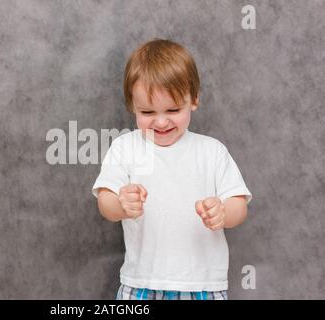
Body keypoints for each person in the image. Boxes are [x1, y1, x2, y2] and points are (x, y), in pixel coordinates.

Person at [92, 39, 252, 300]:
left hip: (203, 286)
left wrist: (223, 211)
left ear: (194, 99)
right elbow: (105, 202)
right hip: (141, 283)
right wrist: (121, 204)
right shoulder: (124, 148)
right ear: (132, 105)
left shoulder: (212, 151)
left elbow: (239, 204)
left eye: (173, 109)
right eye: (147, 111)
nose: (162, 121)